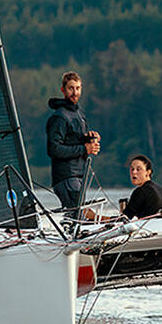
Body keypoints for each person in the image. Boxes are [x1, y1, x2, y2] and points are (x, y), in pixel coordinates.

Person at [46, 71, 100, 217]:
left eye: (77, 88)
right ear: (63, 90)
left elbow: (73, 139)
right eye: (71, 88)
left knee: (77, 216)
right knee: (79, 215)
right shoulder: (59, 117)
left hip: (78, 175)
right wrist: (84, 148)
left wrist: (89, 139)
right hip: (65, 176)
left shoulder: (79, 114)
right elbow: (53, 149)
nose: (75, 92)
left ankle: (71, 236)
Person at [120, 154, 162, 219]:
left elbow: (125, 218)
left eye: (138, 169)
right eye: (132, 169)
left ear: (148, 172)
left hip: (151, 227)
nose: (134, 172)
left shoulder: (141, 191)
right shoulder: (161, 190)